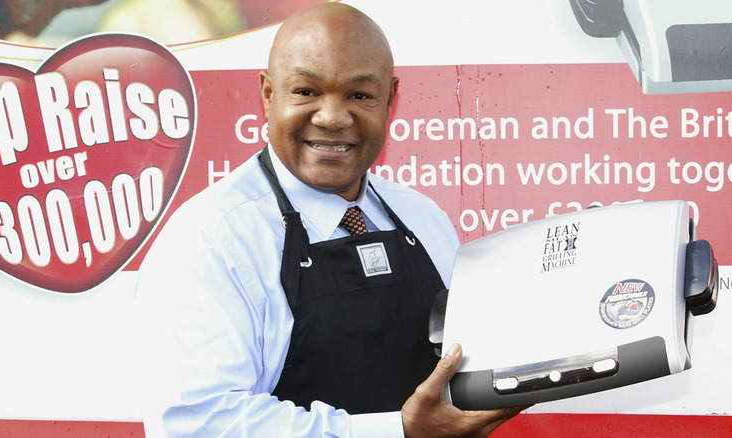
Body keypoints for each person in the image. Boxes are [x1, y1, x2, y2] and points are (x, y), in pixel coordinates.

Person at [136, 3, 526, 436]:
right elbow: (199, 424)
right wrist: (397, 432)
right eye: (305, 91)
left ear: (390, 100)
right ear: (268, 94)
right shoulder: (210, 239)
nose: (333, 118)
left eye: (360, 95)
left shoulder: (424, 218)